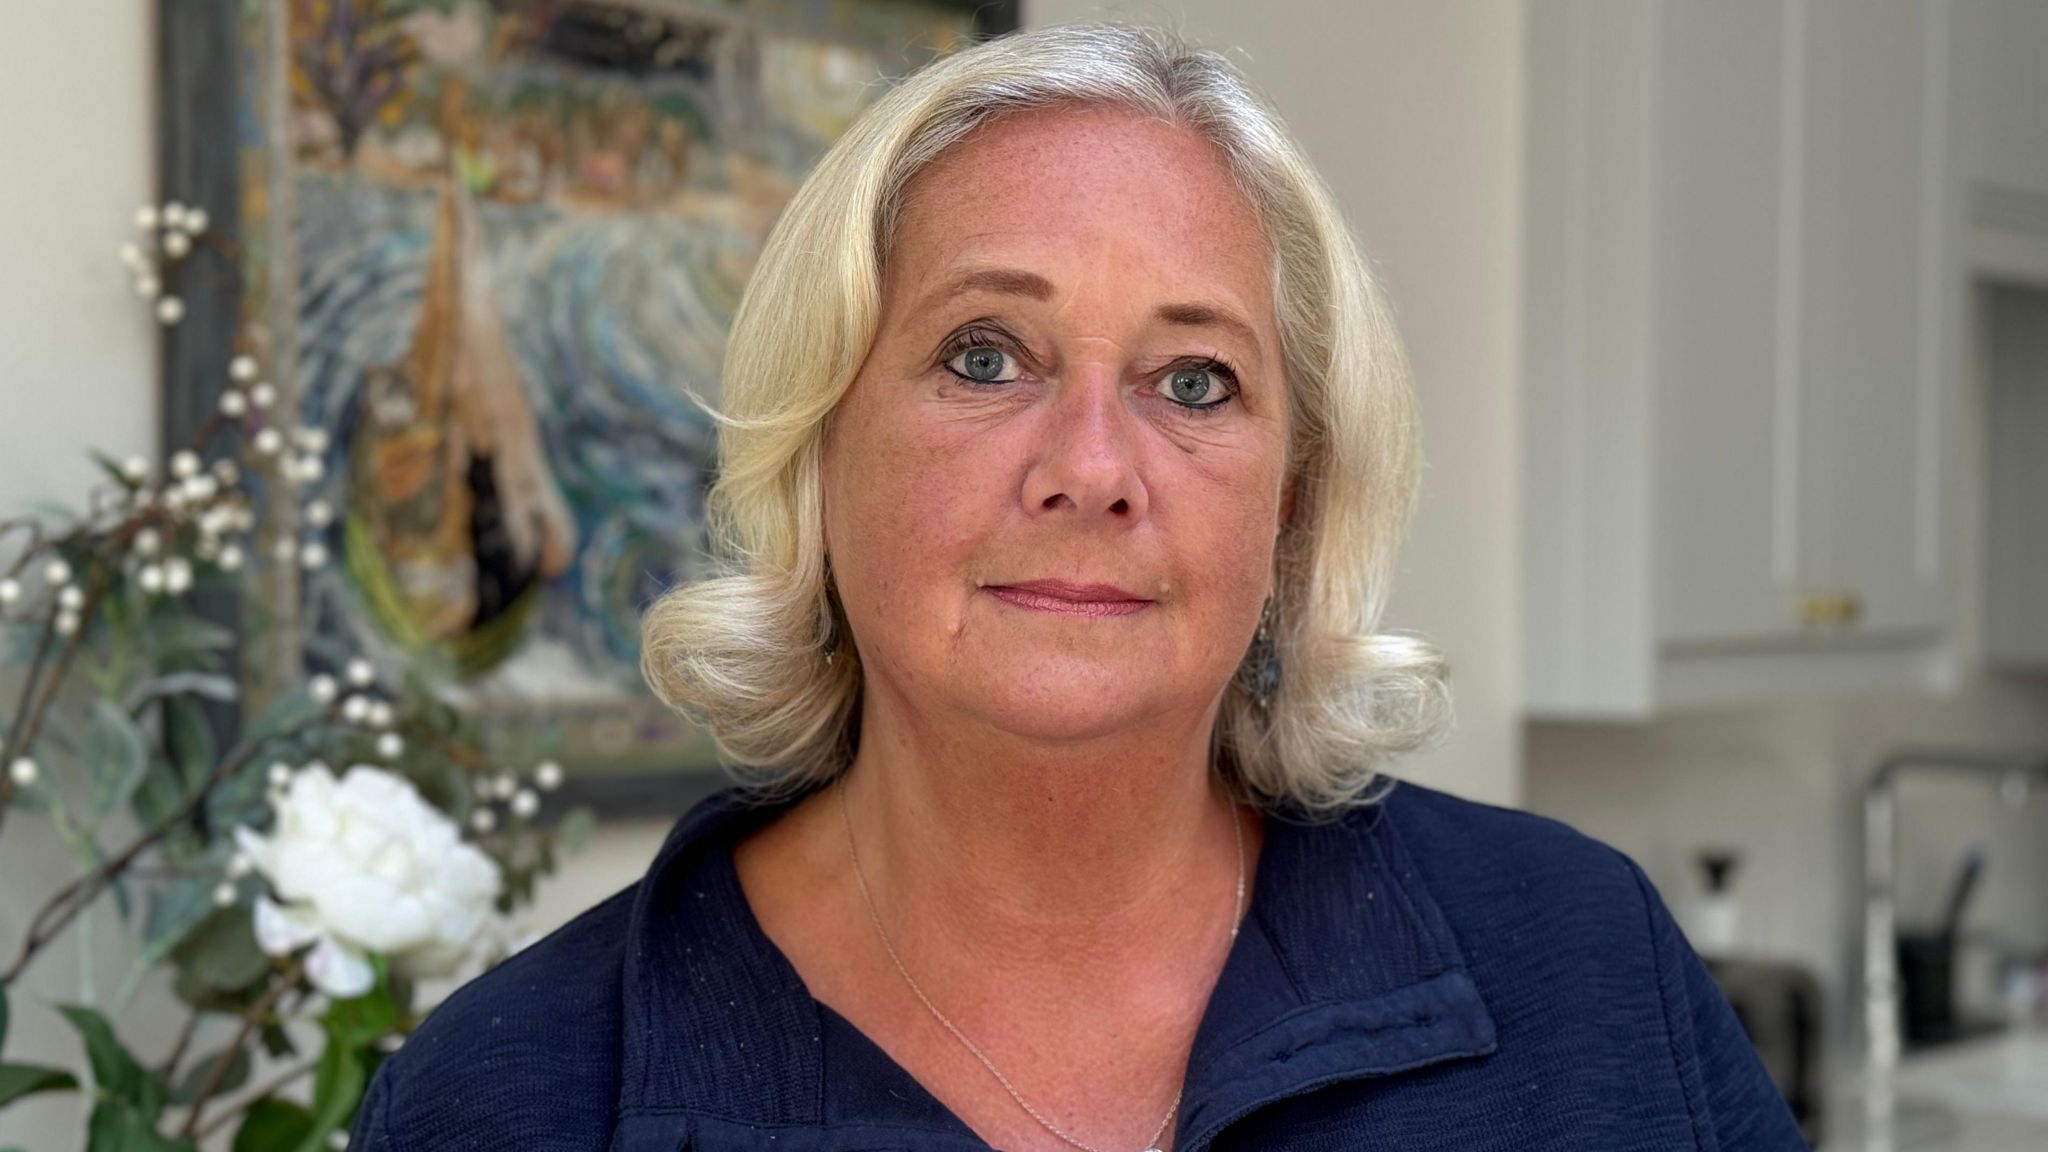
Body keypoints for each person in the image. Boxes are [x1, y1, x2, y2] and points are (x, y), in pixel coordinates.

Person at [350, 23, 1806, 1151]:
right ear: (818, 447)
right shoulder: (508, 1098)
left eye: (1195, 379)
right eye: (987, 355)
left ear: (1291, 503)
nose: (1094, 468)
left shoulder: (1587, 964)